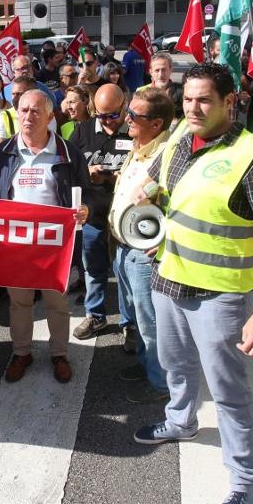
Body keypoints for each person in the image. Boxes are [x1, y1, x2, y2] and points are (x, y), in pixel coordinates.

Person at [132, 62, 253, 504]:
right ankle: (180, 421)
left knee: (228, 391)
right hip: (168, 279)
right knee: (174, 364)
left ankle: (245, 479)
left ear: (230, 101)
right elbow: (165, 187)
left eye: (204, 99)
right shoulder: (180, 139)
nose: (193, 108)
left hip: (220, 296)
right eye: (187, 99)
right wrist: (149, 195)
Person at [0, 89, 89, 383]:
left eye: (36, 111)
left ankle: (59, 354)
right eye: (23, 110)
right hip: (16, 245)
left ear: (50, 116)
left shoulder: (68, 152)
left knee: (57, 304)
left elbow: (87, 191)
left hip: (55, 245)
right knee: (19, 303)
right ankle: (22, 353)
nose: (28, 116)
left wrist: (86, 209)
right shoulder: (3, 152)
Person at [110, 87, 175, 403]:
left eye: (135, 115)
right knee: (137, 317)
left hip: (144, 254)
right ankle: (148, 365)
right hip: (123, 248)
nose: (127, 118)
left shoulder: (167, 155)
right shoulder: (139, 146)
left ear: (157, 123)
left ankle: (161, 384)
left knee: (151, 322)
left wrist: (165, 239)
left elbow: (180, 205)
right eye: (129, 111)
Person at [69, 84, 134, 346]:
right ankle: (95, 315)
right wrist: (87, 173)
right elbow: (69, 168)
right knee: (93, 269)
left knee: (126, 272)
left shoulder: (134, 129)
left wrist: (113, 177)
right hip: (93, 214)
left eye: (113, 115)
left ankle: (130, 324)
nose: (107, 121)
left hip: (126, 217)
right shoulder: (82, 131)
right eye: (101, 115)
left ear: (124, 106)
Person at [137, 52, 183, 116]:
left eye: (164, 70)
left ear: (171, 70)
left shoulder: (182, 91)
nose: (160, 75)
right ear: (151, 72)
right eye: (157, 70)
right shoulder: (140, 92)